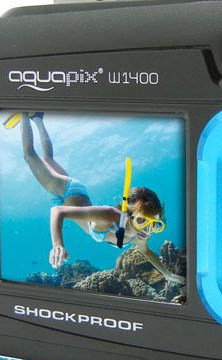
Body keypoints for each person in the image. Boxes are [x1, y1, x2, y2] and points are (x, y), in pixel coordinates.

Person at [19, 112, 185, 284]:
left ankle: (37, 118)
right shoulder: (109, 215)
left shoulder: (141, 232)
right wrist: (57, 244)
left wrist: (168, 274)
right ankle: (22, 109)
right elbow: (57, 211)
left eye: (155, 224)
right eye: (143, 221)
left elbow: (146, 251)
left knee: (47, 159)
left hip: (74, 197)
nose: (148, 230)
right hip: (68, 191)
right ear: (128, 214)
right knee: (29, 155)